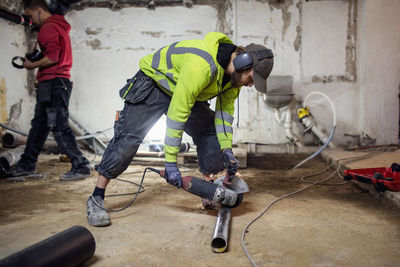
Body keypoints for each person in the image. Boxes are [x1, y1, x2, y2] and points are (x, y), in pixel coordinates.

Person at [86, 32, 274, 227]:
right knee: (128, 139)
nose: (251, 84)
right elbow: (178, 115)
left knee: (210, 129)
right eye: (252, 78)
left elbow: (224, 116)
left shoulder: (234, 80)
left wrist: (226, 150)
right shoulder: (202, 65)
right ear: (243, 63)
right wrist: (170, 164)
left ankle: (209, 189)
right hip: (154, 83)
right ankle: (96, 197)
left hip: (179, 89)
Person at [10, 0, 91, 181]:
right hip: (54, 83)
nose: (31, 19)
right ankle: (26, 164)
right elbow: (53, 54)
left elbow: (53, 57)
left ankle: (81, 166)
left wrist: (32, 65)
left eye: (31, 15)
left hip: (53, 83)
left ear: (39, 10)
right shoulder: (57, 27)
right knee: (39, 127)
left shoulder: (48, 28)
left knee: (60, 127)